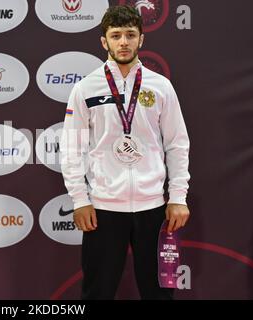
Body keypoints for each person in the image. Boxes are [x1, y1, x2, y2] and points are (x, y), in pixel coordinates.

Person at [60, 5, 190, 300]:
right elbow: (71, 148)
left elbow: (177, 144)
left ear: (141, 40)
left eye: (130, 35)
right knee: (97, 292)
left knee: (158, 293)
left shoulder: (161, 87)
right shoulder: (85, 88)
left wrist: (178, 197)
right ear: (104, 42)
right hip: (104, 209)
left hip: (153, 208)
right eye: (116, 35)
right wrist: (80, 200)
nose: (123, 42)